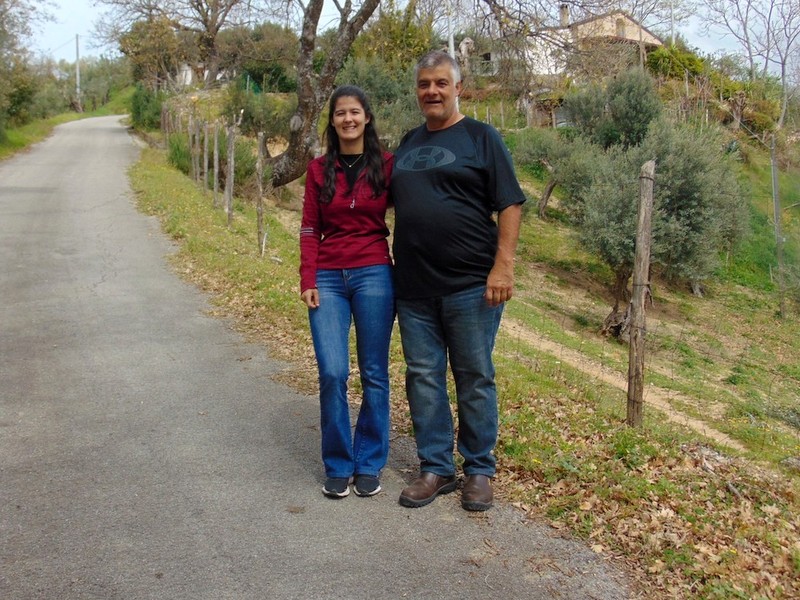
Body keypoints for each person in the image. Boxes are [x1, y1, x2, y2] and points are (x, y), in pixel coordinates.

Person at [391, 51, 526, 511]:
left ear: (458, 88)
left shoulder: (481, 137)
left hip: (472, 284)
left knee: (473, 376)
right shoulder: (408, 142)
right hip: (412, 287)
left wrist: (503, 265)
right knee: (423, 377)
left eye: (441, 84)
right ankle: (435, 468)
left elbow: (509, 203)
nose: (432, 91)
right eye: (424, 84)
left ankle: (479, 471)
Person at [300, 85, 394, 499]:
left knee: (374, 373)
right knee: (333, 371)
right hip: (328, 278)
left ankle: (369, 461)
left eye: (355, 112)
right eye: (340, 113)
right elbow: (308, 228)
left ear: (367, 117)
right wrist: (307, 278)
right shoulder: (318, 170)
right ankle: (338, 463)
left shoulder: (388, 165)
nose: (348, 119)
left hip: (375, 272)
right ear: (333, 121)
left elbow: (410, 219)